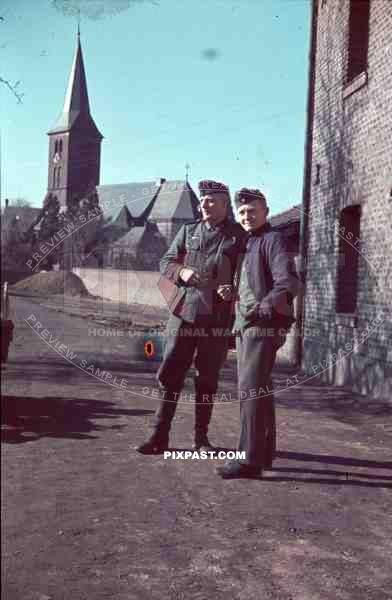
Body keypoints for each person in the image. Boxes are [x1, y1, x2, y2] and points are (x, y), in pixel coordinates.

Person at [136, 180, 245, 454]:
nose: (204, 204)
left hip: (216, 319)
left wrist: (234, 288)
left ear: (224, 204)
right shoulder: (188, 231)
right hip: (183, 314)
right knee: (171, 374)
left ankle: (201, 440)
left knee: (207, 378)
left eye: (211, 200)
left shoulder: (238, 236)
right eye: (203, 200)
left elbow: (246, 274)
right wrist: (182, 272)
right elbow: (166, 262)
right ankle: (159, 438)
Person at [216, 188, 299, 479]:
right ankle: (261, 454)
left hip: (261, 326)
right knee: (259, 391)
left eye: (252, 211)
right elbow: (252, 282)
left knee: (250, 392)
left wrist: (263, 308)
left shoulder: (273, 239)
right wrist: (232, 292)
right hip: (246, 325)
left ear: (265, 211)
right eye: (242, 212)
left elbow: (287, 282)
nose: (246, 216)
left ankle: (248, 462)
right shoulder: (250, 242)